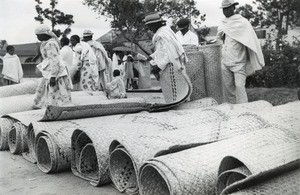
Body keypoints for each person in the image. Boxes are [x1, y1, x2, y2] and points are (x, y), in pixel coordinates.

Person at [217, 0, 264, 104]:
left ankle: (244, 110)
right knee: (228, 89)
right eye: (224, 9)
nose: (226, 11)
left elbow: (250, 40)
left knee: (239, 87)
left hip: (238, 61)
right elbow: (219, 38)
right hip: (225, 61)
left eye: (228, 8)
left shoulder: (242, 22)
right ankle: (232, 111)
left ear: (234, 8)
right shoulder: (223, 23)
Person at [144, 12, 192, 102]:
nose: (149, 29)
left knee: (176, 93)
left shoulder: (162, 34)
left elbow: (169, 53)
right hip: (171, 65)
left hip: (171, 66)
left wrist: (159, 66)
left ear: (156, 24)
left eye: (150, 26)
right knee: (177, 92)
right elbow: (162, 50)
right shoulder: (165, 31)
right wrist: (151, 56)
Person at [33, 24, 72, 108]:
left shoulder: (50, 44)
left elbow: (55, 60)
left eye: (38, 35)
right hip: (52, 69)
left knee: (54, 88)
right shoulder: (48, 43)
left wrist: (53, 76)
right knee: (51, 89)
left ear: (43, 34)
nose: (37, 37)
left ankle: (54, 106)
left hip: (54, 70)